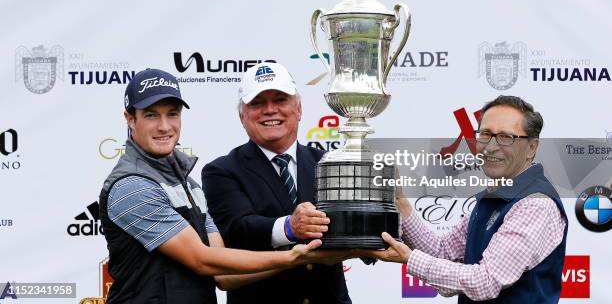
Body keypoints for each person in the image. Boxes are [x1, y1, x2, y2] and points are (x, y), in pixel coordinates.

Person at [99, 68, 335, 304]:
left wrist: (303, 258)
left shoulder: (190, 185)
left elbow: (223, 274)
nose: (164, 126)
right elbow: (203, 260)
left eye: (172, 114)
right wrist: (292, 257)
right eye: (151, 115)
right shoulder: (131, 186)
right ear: (130, 119)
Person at [364, 95, 568, 303]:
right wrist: (399, 199)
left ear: (532, 147)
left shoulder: (535, 204)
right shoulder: (494, 195)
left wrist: (410, 258)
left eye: (506, 137)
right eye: (485, 134)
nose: (490, 146)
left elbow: (485, 282)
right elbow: (441, 252)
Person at [202, 62, 352, 304]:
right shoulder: (221, 171)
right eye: (257, 103)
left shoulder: (327, 163)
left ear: (299, 109)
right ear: (242, 116)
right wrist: (290, 228)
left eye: (280, 99)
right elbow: (237, 229)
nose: (270, 110)